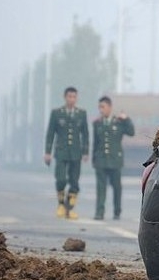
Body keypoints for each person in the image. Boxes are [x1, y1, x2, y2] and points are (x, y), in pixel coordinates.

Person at [44, 86, 89, 219]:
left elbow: (85, 134)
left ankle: (70, 209)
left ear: (76, 98)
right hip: (61, 152)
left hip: (76, 152)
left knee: (74, 182)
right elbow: (50, 133)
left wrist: (85, 151)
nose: (72, 99)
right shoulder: (57, 113)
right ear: (65, 97)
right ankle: (61, 205)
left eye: (74, 97)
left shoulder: (81, 113)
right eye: (69, 96)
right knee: (61, 179)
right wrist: (47, 152)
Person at [92, 96, 135, 220]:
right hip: (100, 160)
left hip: (115, 160)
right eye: (99, 107)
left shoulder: (119, 122)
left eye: (103, 107)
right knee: (100, 188)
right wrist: (94, 159)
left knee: (117, 187)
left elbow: (131, 132)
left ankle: (117, 211)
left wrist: (126, 119)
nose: (101, 110)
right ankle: (99, 212)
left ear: (110, 107)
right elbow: (95, 143)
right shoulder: (97, 123)